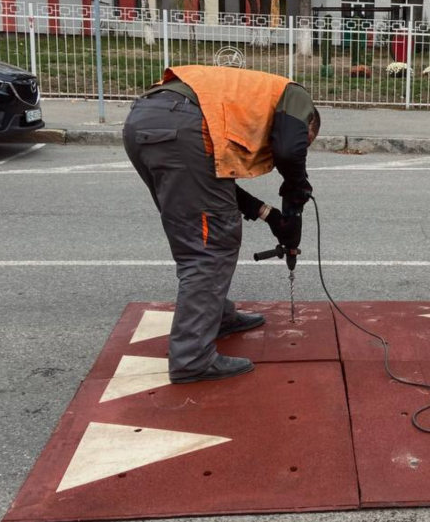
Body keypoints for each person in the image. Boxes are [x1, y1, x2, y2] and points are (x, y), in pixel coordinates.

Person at [123, 66, 318, 383]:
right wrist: (298, 188)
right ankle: (192, 358)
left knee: (193, 231)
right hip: (183, 125)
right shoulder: (296, 95)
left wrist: (268, 214)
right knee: (210, 246)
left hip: (146, 119)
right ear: (311, 123)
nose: (305, 143)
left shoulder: (242, 104)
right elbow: (289, 150)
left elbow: (216, 186)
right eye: (307, 137)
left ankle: (217, 317)